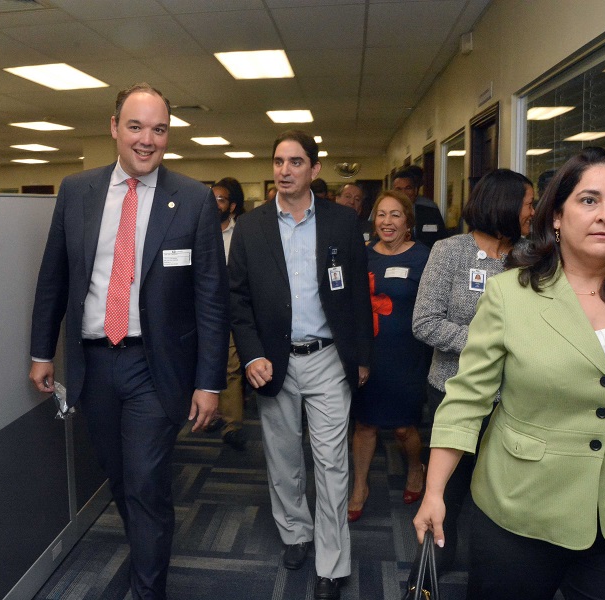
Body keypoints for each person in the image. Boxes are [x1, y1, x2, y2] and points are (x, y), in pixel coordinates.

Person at [413, 148, 605, 600]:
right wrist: (435, 491)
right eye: (589, 200)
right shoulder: (511, 294)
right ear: (557, 216)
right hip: (520, 508)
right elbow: (466, 399)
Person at [28, 83, 229, 600]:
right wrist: (41, 351)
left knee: (145, 484)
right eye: (136, 127)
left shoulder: (192, 199)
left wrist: (209, 383)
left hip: (153, 368)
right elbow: (54, 277)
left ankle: (147, 592)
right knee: (119, 479)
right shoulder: (77, 191)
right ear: (114, 127)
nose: (147, 140)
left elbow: (210, 299)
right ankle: (146, 551)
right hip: (94, 365)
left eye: (158, 129)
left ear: (169, 135)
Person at [228, 130, 373, 600]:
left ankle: (331, 563)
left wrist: (362, 357)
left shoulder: (341, 223)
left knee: (331, 463)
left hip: (329, 357)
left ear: (314, 169)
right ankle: (295, 533)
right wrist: (250, 354)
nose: (284, 171)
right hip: (273, 361)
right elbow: (237, 299)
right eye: (277, 162)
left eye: (295, 162)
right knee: (284, 458)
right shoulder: (251, 227)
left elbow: (355, 294)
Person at [411, 168, 534, 569]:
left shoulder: (534, 256)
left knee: (503, 497)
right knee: (448, 492)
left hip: (516, 399)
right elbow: (425, 322)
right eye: (529, 203)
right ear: (505, 205)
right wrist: (490, 346)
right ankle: (430, 573)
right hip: (454, 391)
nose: (534, 211)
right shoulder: (450, 252)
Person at [347, 191, 431, 524]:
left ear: (408, 222)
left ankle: (414, 468)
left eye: (395, 215)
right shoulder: (362, 255)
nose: (387, 222)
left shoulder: (425, 257)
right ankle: (360, 486)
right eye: (381, 215)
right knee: (365, 424)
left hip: (407, 355)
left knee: (402, 429)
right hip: (368, 352)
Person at [203, 177, 247, 451]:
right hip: (201, 310)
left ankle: (232, 425)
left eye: (220, 199)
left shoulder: (241, 233)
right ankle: (209, 415)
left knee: (231, 367)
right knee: (205, 364)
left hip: (230, 309)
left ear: (231, 206)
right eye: (211, 198)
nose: (214, 203)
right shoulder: (197, 231)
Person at [393, 168, 447, 248]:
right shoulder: (382, 210)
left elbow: (442, 239)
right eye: (398, 189)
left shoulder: (430, 209)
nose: (403, 193)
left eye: (408, 188)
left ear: (415, 190)